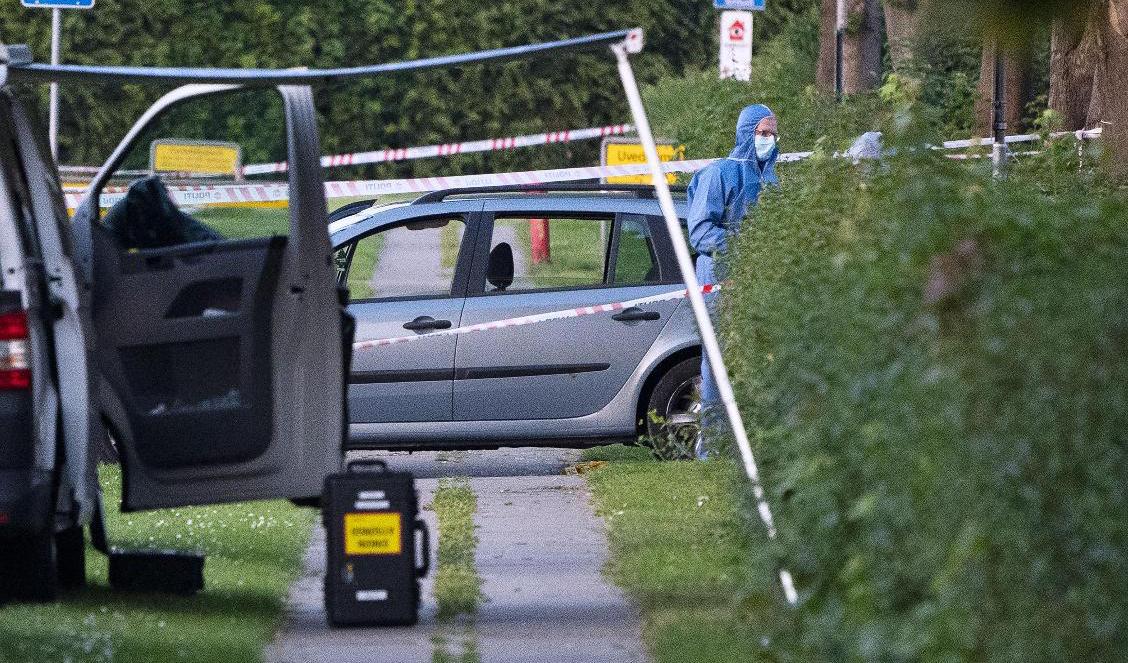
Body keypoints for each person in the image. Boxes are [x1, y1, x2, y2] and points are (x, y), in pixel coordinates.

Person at [686, 103, 780, 459]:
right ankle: (712, 447)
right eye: (763, 133)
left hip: (756, 275)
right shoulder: (719, 175)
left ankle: (749, 446)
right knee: (717, 361)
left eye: (773, 133)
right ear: (747, 134)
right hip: (718, 277)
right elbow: (700, 231)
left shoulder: (769, 179)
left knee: (756, 357)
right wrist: (741, 244)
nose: (769, 140)